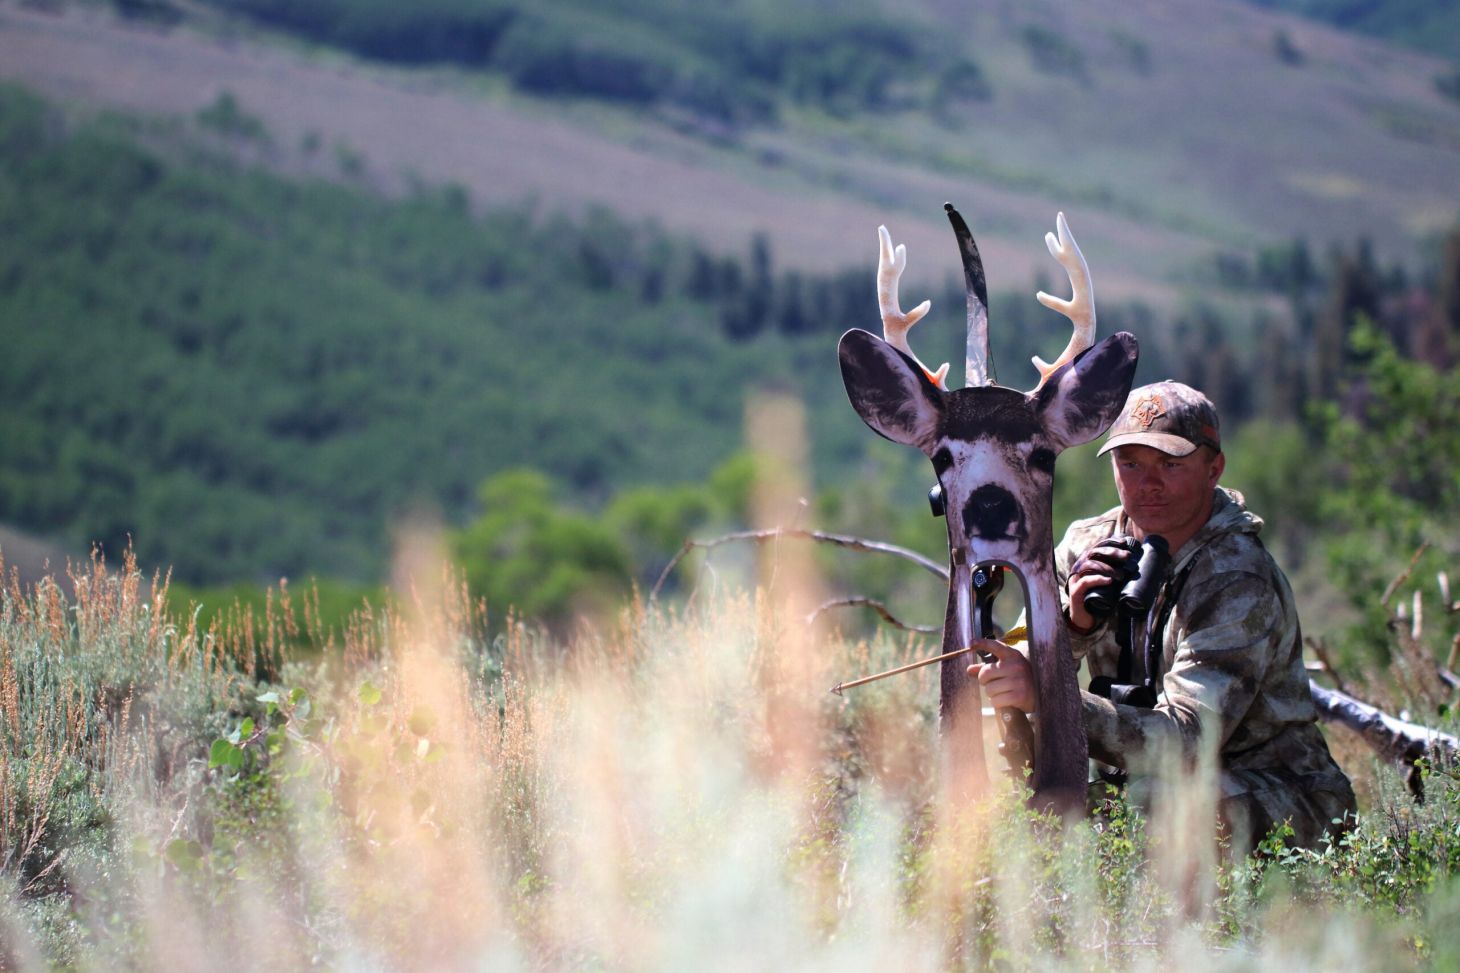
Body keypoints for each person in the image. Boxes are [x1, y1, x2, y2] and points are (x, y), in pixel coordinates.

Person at [970, 380, 1356, 850]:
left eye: (1170, 464)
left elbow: (1187, 741)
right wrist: (1071, 631)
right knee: (1006, 819)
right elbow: (1020, 659)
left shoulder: (1238, 578)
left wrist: (1051, 698)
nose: (1147, 484)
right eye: (1129, 463)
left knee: (1141, 817)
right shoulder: (1085, 545)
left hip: (1282, 792)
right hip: (1141, 784)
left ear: (1213, 469)